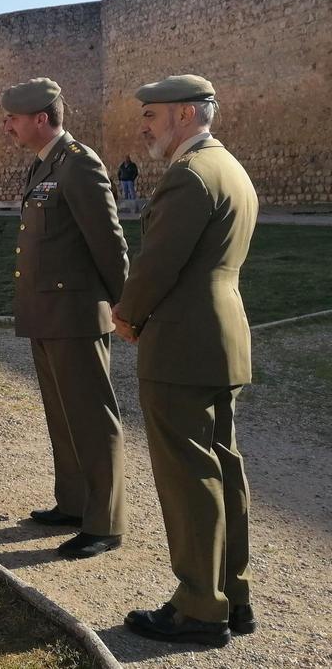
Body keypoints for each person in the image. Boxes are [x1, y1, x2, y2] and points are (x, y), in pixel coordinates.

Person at [114, 75, 258, 648]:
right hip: (221, 337)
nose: (144, 126)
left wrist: (126, 315)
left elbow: (157, 265)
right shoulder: (229, 167)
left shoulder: (191, 175)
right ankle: (231, 595)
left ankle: (199, 607)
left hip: (181, 342)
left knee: (189, 476)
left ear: (185, 113)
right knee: (223, 470)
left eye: (151, 114)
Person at [1, 77, 129, 559]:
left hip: (76, 316)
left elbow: (110, 244)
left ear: (40, 118)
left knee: (93, 420)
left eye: (13, 118)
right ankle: (75, 503)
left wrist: (126, 307)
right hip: (49, 315)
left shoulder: (79, 164)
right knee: (63, 417)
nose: (7, 127)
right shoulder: (46, 164)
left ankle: (105, 521)